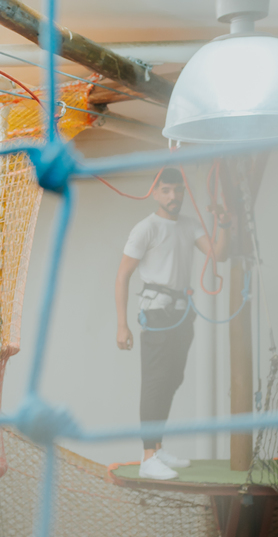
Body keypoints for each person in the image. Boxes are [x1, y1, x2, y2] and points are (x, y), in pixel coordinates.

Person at [115, 167, 230, 480]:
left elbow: (219, 254)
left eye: (177, 190)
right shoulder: (146, 229)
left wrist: (225, 223)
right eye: (166, 190)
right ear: (155, 192)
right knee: (154, 382)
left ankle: (159, 447)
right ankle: (147, 457)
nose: (173, 196)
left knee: (172, 380)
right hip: (156, 314)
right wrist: (122, 325)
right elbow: (123, 276)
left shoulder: (190, 225)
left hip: (182, 313)